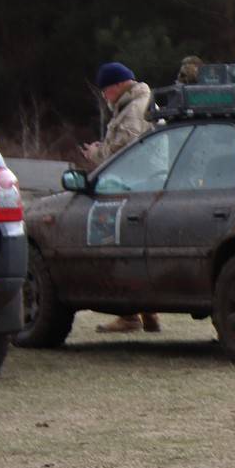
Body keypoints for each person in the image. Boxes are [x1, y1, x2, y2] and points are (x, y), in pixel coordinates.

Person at [79, 62, 160, 335]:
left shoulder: (133, 111)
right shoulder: (136, 104)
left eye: (105, 91)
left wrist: (95, 154)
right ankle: (148, 312)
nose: (104, 96)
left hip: (133, 190)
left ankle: (129, 315)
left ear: (115, 87)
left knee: (116, 251)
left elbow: (124, 155)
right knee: (138, 252)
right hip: (147, 189)